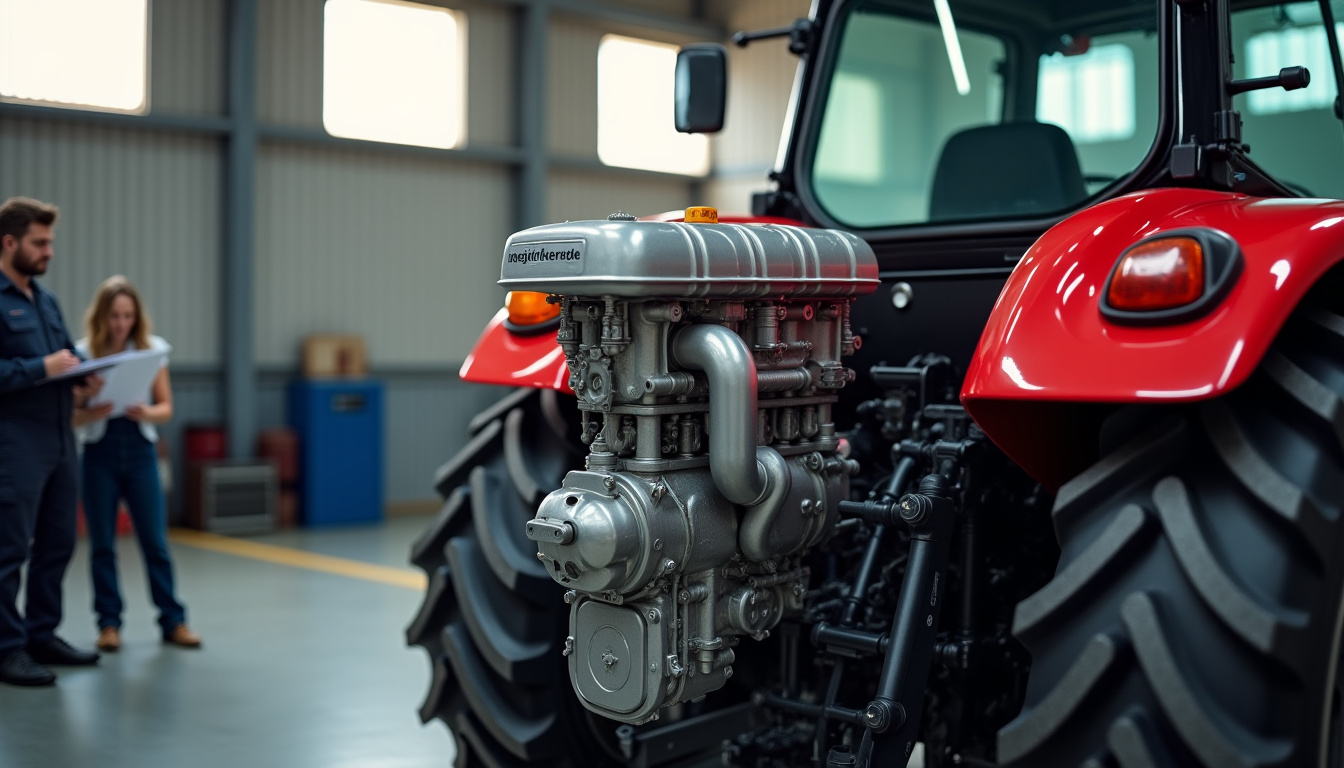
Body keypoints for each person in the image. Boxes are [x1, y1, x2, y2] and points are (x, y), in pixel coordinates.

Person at [0, 197, 103, 686]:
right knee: (9, 549)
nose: (49, 252)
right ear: (9, 243)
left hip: (61, 438)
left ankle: (41, 634)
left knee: (58, 542)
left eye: (50, 242)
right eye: (40, 243)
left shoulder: (46, 301)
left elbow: (65, 359)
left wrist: (84, 377)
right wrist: (40, 368)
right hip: (15, 442)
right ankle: (6, 649)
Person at [74, 276, 201, 651]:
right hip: (98, 452)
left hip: (141, 449)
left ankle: (173, 620)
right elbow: (71, 417)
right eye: (114, 316)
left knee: (155, 541)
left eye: (128, 316)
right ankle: (109, 624)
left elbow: (166, 408)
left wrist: (146, 411)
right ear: (101, 316)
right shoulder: (83, 353)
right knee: (102, 545)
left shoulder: (152, 349)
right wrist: (90, 409)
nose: (121, 324)